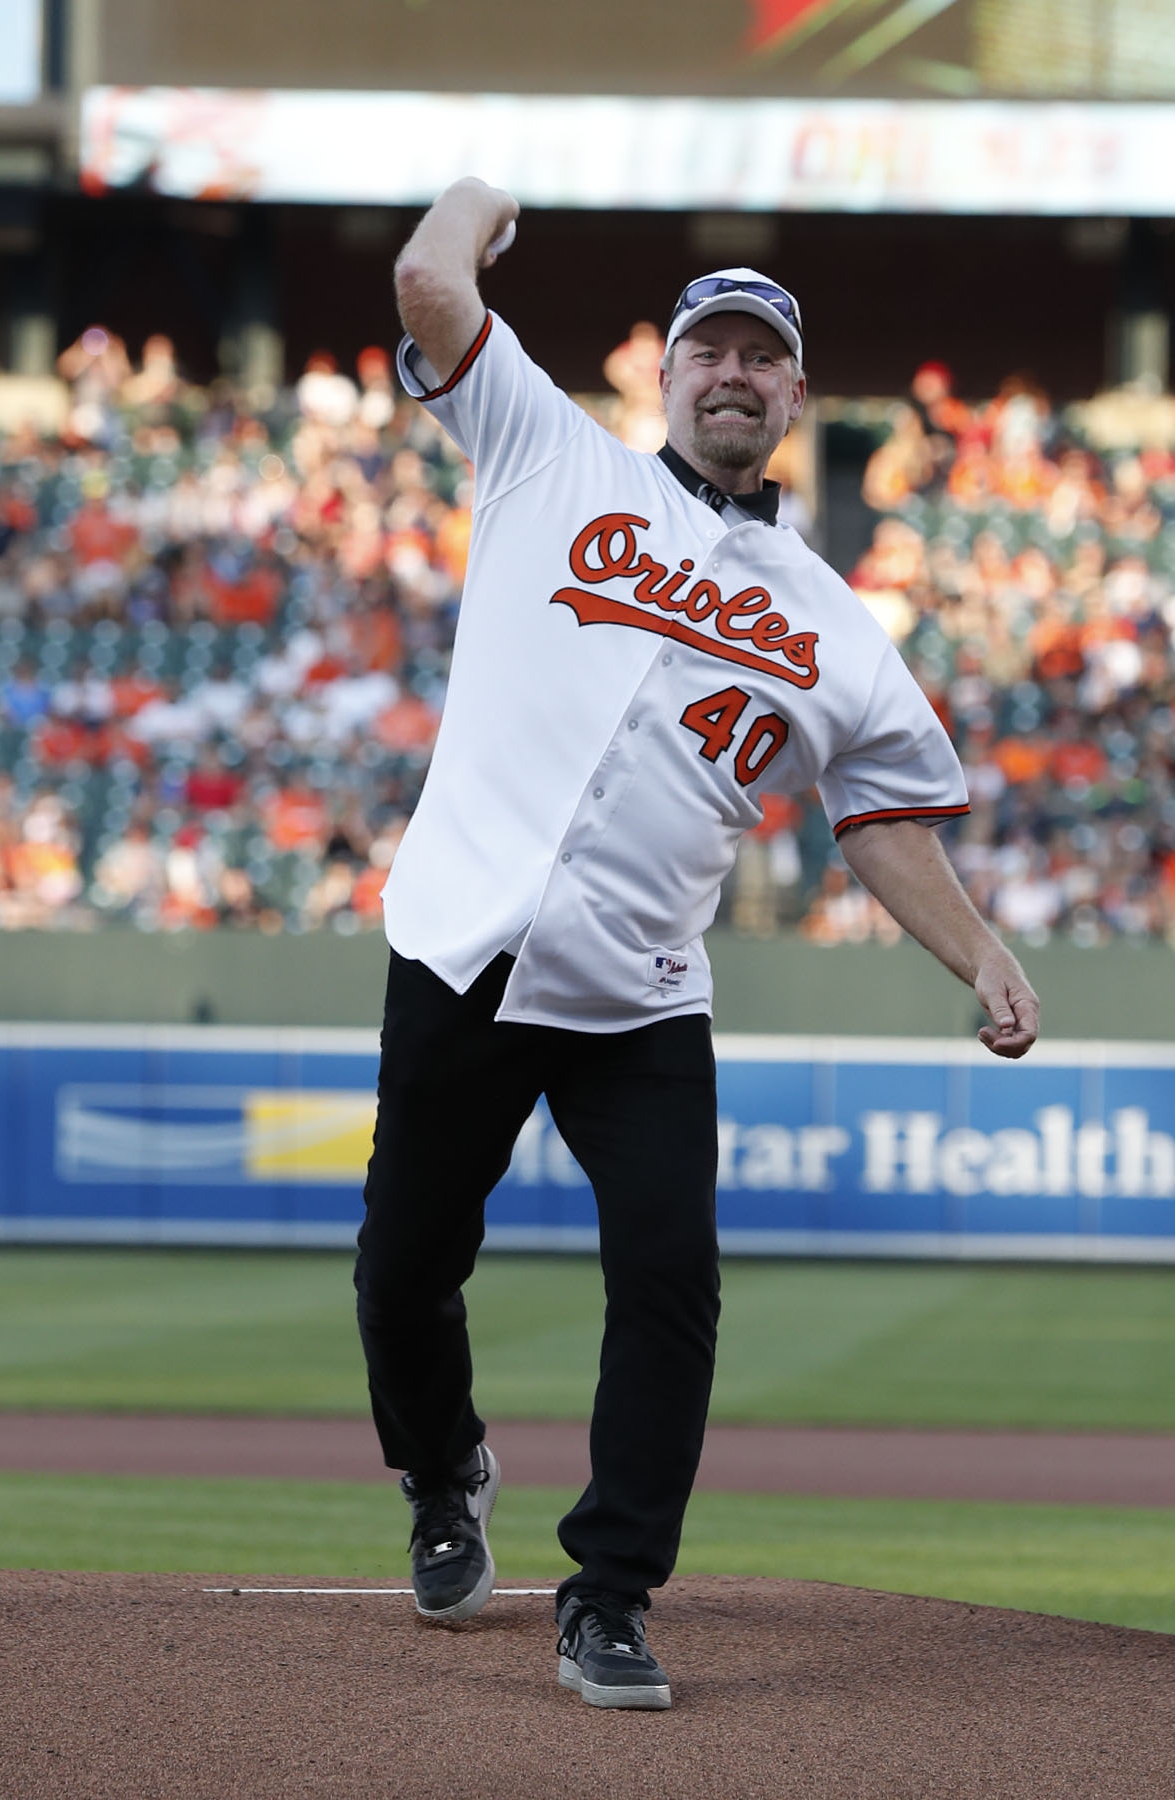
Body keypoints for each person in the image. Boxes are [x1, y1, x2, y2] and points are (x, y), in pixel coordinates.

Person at [353, 177, 1040, 1712]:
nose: (734, 372)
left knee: (671, 1278)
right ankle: (443, 1468)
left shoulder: (836, 625)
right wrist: (474, 204)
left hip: (643, 999)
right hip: (462, 946)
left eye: (763, 355)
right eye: (708, 348)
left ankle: (608, 1595)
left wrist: (978, 949)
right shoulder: (547, 452)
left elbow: (881, 819)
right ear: (659, 372)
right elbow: (425, 288)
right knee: (403, 1273)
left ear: (796, 395)